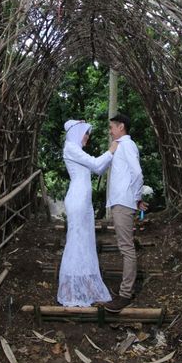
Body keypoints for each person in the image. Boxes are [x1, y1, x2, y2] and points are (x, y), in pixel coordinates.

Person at [57, 120, 118, 307]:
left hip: (84, 201)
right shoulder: (71, 148)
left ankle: (85, 286)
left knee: (85, 242)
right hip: (77, 200)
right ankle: (70, 288)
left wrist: (111, 154)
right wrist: (112, 149)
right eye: (85, 133)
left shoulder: (77, 150)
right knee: (76, 242)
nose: (87, 138)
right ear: (77, 133)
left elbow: (98, 168)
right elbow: (96, 163)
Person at [104, 114, 148, 313]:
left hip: (123, 201)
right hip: (121, 201)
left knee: (126, 247)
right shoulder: (120, 145)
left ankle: (125, 294)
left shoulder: (126, 145)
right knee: (125, 246)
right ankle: (125, 290)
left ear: (121, 126)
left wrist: (135, 197)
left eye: (112, 127)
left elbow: (137, 173)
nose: (110, 131)